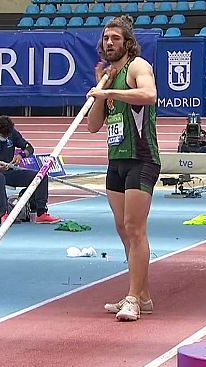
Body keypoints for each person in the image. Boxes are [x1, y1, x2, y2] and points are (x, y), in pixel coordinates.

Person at [86, 15, 160, 322]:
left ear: (127, 43)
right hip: (116, 160)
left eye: (115, 38)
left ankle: (133, 297)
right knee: (122, 229)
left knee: (134, 228)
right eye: (106, 39)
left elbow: (149, 95)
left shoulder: (137, 66)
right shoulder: (108, 76)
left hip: (141, 159)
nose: (109, 43)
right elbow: (93, 126)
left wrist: (109, 92)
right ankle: (142, 295)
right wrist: (99, 89)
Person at [0, 116, 63, 225]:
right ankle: (3, 215)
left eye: (8, 136)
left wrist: (21, 155)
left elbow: (29, 148)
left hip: (10, 172)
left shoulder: (12, 133)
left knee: (41, 175)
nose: (6, 138)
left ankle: (41, 214)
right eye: (4, 136)